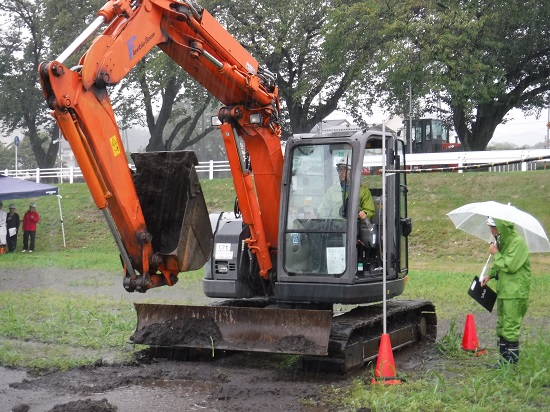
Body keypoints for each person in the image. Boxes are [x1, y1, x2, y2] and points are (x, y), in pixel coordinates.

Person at [481, 217, 531, 365]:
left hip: (515, 292)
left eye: (493, 227)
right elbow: (500, 265)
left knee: (510, 326)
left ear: (501, 226)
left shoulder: (518, 243)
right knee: (502, 325)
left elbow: (510, 266)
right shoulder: (503, 242)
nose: (491, 230)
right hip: (504, 291)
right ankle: (503, 360)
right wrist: (490, 275)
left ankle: (511, 363)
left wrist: (496, 253)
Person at [317, 158, 375, 222]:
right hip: (335, 227)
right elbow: (324, 209)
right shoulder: (332, 190)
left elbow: (369, 210)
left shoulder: (363, 190)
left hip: (354, 225)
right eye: (340, 169)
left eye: (345, 169)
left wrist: (365, 213)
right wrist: (318, 215)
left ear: (353, 171)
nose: (341, 172)